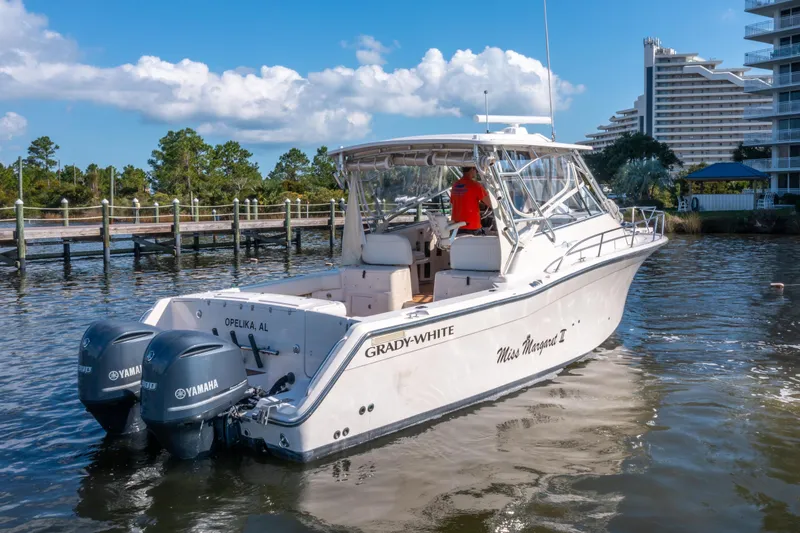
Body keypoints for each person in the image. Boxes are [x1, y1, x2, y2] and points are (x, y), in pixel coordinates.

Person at [450, 167, 491, 235]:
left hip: (456, 228)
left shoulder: (455, 185)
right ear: (472, 169)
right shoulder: (476, 185)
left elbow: (457, 202)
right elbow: (491, 204)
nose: (477, 172)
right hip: (471, 228)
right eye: (476, 170)